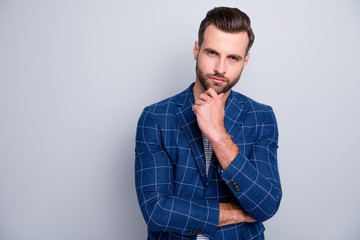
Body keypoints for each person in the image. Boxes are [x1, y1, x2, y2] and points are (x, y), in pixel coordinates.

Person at [135, 6, 281, 240]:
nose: (220, 69)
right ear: (196, 49)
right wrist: (236, 212)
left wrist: (218, 134)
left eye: (233, 57)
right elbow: (157, 211)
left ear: (245, 61)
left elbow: (266, 205)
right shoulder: (155, 118)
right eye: (212, 53)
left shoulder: (261, 117)